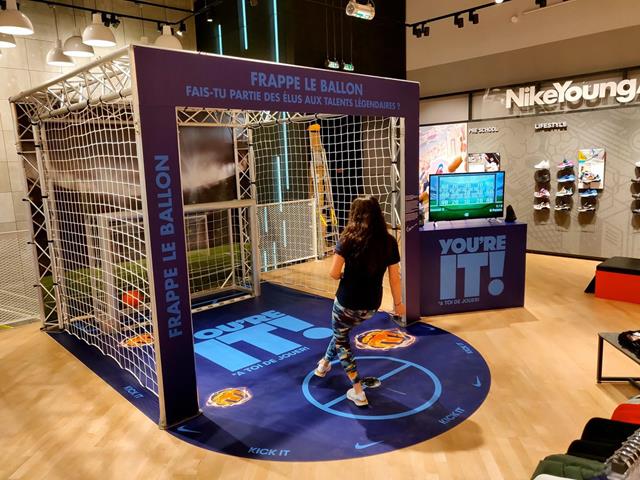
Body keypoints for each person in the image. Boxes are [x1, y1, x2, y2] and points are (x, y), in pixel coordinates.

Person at [314, 196, 406, 407]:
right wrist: (398, 304)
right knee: (341, 331)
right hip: (372, 305)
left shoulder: (347, 239)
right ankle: (324, 364)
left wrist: (345, 275)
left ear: (354, 215)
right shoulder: (389, 241)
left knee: (341, 340)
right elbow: (394, 277)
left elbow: (333, 273)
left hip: (347, 303)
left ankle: (358, 392)